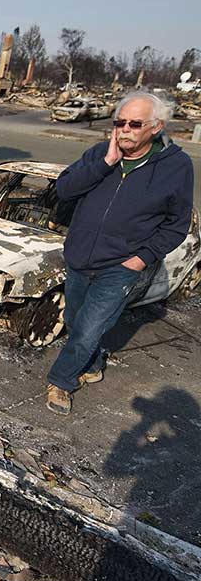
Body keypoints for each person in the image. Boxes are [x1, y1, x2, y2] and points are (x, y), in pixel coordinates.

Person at [45, 91, 194, 415]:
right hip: (80, 258)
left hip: (120, 267)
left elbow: (176, 224)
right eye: (119, 122)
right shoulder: (101, 153)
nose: (125, 129)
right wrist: (105, 163)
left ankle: (62, 381)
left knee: (88, 329)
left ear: (156, 127)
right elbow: (65, 189)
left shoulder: (176, 166)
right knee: (76, 321)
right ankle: (94, 362)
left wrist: (140, 258)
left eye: (134, 123)